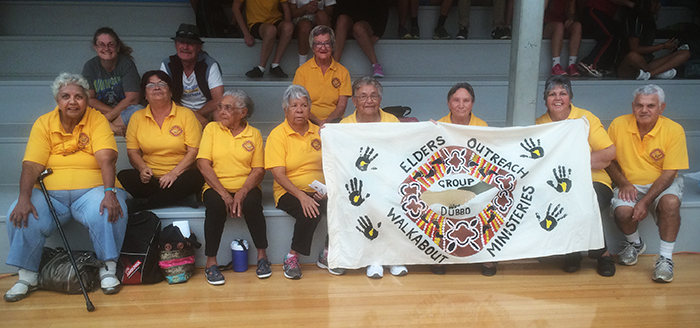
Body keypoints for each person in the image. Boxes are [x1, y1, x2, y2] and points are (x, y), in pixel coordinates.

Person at [4, 73, 128, 302]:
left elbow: (106, 158)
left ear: (86, 100)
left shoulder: (97, 119)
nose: (72, 101)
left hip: (93, 189)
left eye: (79, 96)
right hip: (50, 194)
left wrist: (109, 193)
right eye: (66, 96)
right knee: (21, 211)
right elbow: (31, 165)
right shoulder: (44, 123)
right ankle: (27, 275)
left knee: (111, 207)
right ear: (57, 100)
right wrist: (24, 197)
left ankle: (107, 268)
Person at [535, 75, 617, 277]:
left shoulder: (586, 119)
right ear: (545, 100)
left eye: (563, 93)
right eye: (552, 94)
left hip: (594, 180)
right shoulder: (539, 124)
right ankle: (573, 251)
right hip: (557, 184)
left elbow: (608, 154)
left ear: (570, 97)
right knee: (558, 200)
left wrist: (571, 164)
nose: (557, 98)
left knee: (585, 200)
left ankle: (600, 252)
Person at [606, 84, 688, 283]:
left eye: (651, 105)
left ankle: (666, 259)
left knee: (670, 203)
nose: (644, 110)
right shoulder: (618, 124)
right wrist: (624, 183)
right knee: (623, 212)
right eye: (640, 105)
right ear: (633, 106)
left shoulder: (674, 130)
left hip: (662, 184)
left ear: (662, 108)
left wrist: (644, 202)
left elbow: (669, 174)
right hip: (630, 183)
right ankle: (635, 244)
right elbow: (608, 160)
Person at [337, 77, 411, 279]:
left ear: (380, 99)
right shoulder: (345, 125)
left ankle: (395, 258)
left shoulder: (392, 121)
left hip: (388, 180)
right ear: (354, 101)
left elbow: (401, 152)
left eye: (373, 96)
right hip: (359, 184)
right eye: (363, 96)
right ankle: (374, 260)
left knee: (394, 203)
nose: (369, 100)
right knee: (367, 207)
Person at [197, 89, 271, 284]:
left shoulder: (253, 134)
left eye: (228, 108)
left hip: (246, 185)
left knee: (253, 204)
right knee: (215, 205)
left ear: (243, 112)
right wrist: (225, 194)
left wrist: (242, 191)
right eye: (220, 107)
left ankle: (262, 257)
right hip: (215, 186)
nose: (222, 111)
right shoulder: (211, 129)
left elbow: (258, 170)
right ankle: (210, 262)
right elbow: (203, 164)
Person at [117, 71, 204, 213]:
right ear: (145, 94)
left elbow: (194, 151)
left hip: (180, 177)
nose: (156, 88)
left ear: (170, 92)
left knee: (197, 176)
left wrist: (173, 174)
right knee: (124, 176)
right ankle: (180, 198)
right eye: (151, 85)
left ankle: (144, 204)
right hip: (151, 179)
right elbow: (133, 152)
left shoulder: (186, 114)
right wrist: (142, 169)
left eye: (162, 84)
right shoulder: (137, 117)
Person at [432, 82, 495, 276]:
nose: (461, 105)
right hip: (444, 181)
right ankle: (439, 257)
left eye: (466, 100)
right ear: (449, 103)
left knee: (491, 201)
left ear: (473, 104)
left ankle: (487, 258)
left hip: (473, 180)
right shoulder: (436, 127)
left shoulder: (482, 126)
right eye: (456, 100)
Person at [265, 85, 325, 280]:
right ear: (286, 109)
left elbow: (332, 165)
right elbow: (279, 175)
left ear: (310, 109)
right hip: (288, 191)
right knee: (310, 211)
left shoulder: (320, 133)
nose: (299, 110)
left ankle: (328, 251)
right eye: (294, 105)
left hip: (321, 190)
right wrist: (302, 196)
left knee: (344, 206)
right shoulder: (278, 135)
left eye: (304, 105)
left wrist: (327, 190)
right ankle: (292, 256)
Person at [82, 27, 142, 136]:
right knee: (80, 110)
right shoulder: (90, 66)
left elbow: (133, 99)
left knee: (139, 110)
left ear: (117, 47)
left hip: (122, 113)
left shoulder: (126, 64)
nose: (106, 48)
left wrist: (106, 119)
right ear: (95, 47)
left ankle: (101, 127)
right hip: (102, 113)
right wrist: (111, 114)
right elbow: (89, 99)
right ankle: (112, 128)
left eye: (111, 44)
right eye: (101, 44)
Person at [160, 23, 224, 126]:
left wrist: (197, 115)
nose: (185, 47)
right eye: (181, 42)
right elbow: (163, 97)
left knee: (220, 114)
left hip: (206, 112)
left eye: (190, 43)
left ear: (199, 47)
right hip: (179, 111)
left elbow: (218, 99)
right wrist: (191, 116)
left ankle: (219, 141)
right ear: (176, 45)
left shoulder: (210, 64)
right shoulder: (168, 64)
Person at [615, 0, 691, 80]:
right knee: (633, 56)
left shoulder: (650, 19)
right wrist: (663, 46)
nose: (659, 4)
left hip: (647, 63)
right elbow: (635, 49)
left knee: (685, 53)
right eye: (656, 2)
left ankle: (651, 74)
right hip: (627, 66)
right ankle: (656, 73)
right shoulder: (635, 19)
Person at [293, 25, 352, 126]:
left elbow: (341, 106)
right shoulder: (302, 71)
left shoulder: (343, 71)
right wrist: (319, 122)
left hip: (334, 122)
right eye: (318, 44)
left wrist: (327, 122)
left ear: (332, 46)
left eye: (327, 43)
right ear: (312, 47)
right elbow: (299, 105)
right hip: (307, 121)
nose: (323, 47)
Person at [232, 0, 294, 78]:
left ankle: (275, 65)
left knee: (288, 27)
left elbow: (286, 9)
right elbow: (235, 8)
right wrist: (246, 33)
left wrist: (287, 34)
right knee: (271, 30)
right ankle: (261, 68)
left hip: (275, 21)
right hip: (256, 23)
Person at [577, 0, 635, 78]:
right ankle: (588, 62)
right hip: (595, 10)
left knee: (617, 33)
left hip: (605, 15)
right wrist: (630, 3)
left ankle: (603, 67)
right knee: (609, 36)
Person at [333, 0, 389, 78]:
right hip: (347, 23)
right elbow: (337, 9)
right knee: (342, 19)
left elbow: (383, 8)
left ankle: (376, 65)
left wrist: (378, 34)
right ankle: (334, 64)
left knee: (358, 27)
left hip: (367, 23)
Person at [289, 0, 335, 67]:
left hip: (318, 17)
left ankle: (325, 58)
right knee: (305, 26)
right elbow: (292, 13)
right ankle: (302, 65)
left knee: (322, 15)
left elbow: (330, 11)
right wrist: (305, 8)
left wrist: (316, 8)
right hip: (300, 18)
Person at [544, 0, 583, 76]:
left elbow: (571, 13)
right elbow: (540, 12)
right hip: (546, 26)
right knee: (559, 26)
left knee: (577, 26)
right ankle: (555, 65)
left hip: (562, 25)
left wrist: (570, 18)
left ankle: (572, 65)